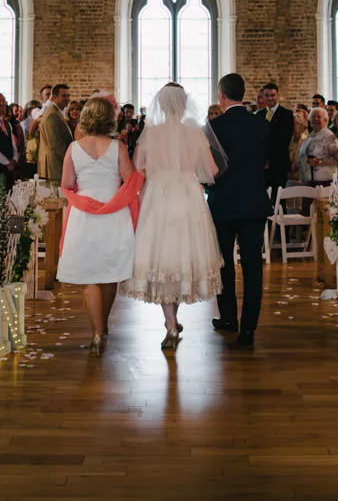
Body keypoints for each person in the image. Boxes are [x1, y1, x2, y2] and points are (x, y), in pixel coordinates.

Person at [122, 83, 224, 349]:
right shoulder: (194, 133)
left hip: (158, 197)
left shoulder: (151, 133)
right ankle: (173, 320)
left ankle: (170, 323)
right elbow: (212, 171)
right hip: (188, 197)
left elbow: (136, 170)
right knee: (181, 258)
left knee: (162, 257)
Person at [58, 97, 140, 356]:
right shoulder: (118, 147)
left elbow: (67, 182)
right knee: (109, 273)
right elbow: (130, 181)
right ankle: (103, 327)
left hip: (84, 215)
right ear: (110, 118)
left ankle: (96, 333)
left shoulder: (73, 147)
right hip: (114, 213)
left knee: (89, 277)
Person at [206, 73, 270, 347]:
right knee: (253, 266)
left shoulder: (213, 126)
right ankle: (248, 329)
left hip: (223, 204)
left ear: (222, 94)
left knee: (223, 264)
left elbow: (209, 170)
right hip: (254, 202)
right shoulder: (261, 125)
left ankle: (229, 318)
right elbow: (270, 160)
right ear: (244, 94)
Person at [256, 82, 295, 202]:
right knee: (263, 199)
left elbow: (283, 140)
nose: (270, 98)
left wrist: (269, 158)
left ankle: (278, 221)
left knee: (278, 199)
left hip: (278, 164)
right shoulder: (259, 114)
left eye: (272, 95)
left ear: (278, 95)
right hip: (262, 166)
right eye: (267, 95)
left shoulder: (286, 114)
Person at [35, 84, 74, 185]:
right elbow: (56, 146)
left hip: (56, 166)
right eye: (64, 96)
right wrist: (72, 160)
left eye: (68, 96)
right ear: (55, 97)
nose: (67, 99)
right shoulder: (52, 115)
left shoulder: (57, 113)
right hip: (53, 168)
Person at [293, 106, 338, 186]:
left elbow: (337, 159)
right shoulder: (310, 136)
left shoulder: (329, 136)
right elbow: (302, 156)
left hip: (325, 181)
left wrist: (319, 162)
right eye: (313, 117)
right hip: (308, 180)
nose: (315, 119)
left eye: (319, 117)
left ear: (325, 120)